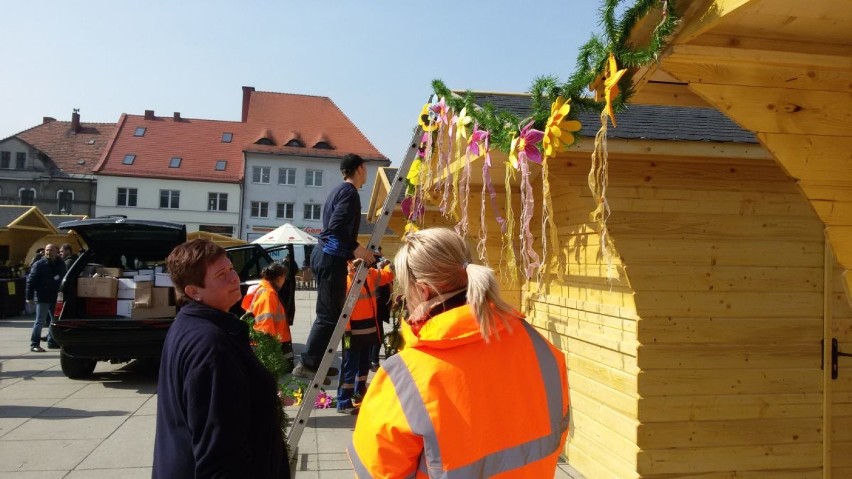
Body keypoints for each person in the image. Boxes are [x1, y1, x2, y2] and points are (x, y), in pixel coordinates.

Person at [348, 228, 569, 478]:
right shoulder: (538, 344)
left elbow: (377, 470)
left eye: (404, 289)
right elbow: (558, 433)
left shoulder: (406, 376)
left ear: (423, 291)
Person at [153, 239, 289, 479]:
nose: (234, 278)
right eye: (220, 275)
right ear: (193, 291)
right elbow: (220, 457)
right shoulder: (211, 345)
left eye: (230, 269)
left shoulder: (190, 324)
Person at [293, 153, 376, 380]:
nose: (367, 173)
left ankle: (317, 362)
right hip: (330, 258)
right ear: (359, 169)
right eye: (366, 169)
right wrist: (356, 248)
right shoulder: (350, 194)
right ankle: (308, 363)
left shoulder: (338, 191)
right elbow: (335, 227)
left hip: (328, 256)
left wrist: (351, 253)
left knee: (330, 313)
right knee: (328, 315)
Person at [337, 258, 394, 414]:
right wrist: (346, 330)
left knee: (363, 364)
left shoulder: (369, 273)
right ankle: (343, 401)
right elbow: (342, 308)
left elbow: (388, 275)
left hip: (367, 330)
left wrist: (392, 264)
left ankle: (359, 393)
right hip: (350, 332)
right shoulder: (346, 279)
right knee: (349, 365)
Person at [241, 262, 294, 370]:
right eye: (285, 278)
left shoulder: (264, 290)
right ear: (280, 277)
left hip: (272, 343)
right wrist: (269, 350)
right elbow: (265, 325)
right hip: (272, 345)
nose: (284, 281)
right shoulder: (268, 294)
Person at [25, 243, 65, 352]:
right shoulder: (39, 264)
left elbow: (63, 278)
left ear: (56, 252)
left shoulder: (61, 264)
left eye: (51, 250)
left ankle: (52, 342)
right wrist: (29, 297)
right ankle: (34, 344)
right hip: (43, 296)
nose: (48, 252)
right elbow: (31, 281)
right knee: (40, 321)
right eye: (47, 250)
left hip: (55, 297)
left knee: (55, 321)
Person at [369, 253, 392, 372]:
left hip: (377, 308)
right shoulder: (376, 275)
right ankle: (374, 361)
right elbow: (380, 293)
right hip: (376, 308)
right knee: (377, 336)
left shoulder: (375, 273)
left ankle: (371, 360)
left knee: (376, 335)